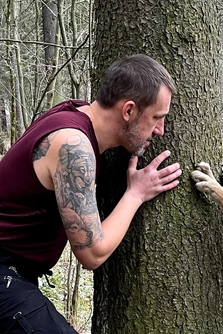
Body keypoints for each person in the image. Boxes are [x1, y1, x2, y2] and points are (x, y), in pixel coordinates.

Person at [0, 54, 182, 333]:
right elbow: (92, 254)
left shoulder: (75, 113)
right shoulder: (73, 145)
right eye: (157, 118)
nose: (160, 131)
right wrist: (136, 194)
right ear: (129, 110)